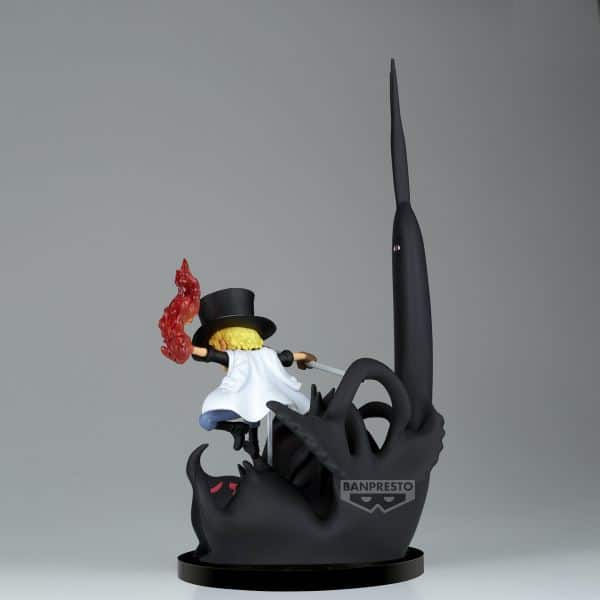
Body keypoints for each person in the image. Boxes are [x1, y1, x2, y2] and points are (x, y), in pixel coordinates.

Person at [191, 288, 316, 457]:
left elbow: (208, 354)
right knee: (210, 419)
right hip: (244, 403)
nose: (217, 347)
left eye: (218, 343)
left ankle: (253, 447)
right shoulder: (260, 355)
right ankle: (237, 430)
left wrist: (188, 348)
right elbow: (288, 357)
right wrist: (305, 356)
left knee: (220, 418)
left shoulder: (255, 356)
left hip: (266, 401)